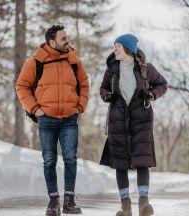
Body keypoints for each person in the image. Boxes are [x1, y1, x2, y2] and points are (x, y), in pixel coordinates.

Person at [16, 25, 89, 216]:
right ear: (52, 42)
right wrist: (35, 109)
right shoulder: (36, 62)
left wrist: (80, 106)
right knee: (49, 160)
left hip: (69, 119)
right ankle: (53, 200)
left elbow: (84, 83)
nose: (67, 41)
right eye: (63, 38)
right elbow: (21, 86)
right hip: (46, 119)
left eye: (67, 37)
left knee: (70, 159)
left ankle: (69, 201)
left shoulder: (74, 61)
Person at [99, 34, 167, 216]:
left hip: (141, 120)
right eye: (114, 46)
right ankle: (125, 206)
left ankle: (144, 203)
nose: (115, 49)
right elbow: (103, 88)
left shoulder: (146, 69)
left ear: (128, 48)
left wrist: (152, 94)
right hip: (118, 119)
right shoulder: (112, 69)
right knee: (120, 163)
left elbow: (162, 84)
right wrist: (107, 95)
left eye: (118, 46)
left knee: (142, 161)